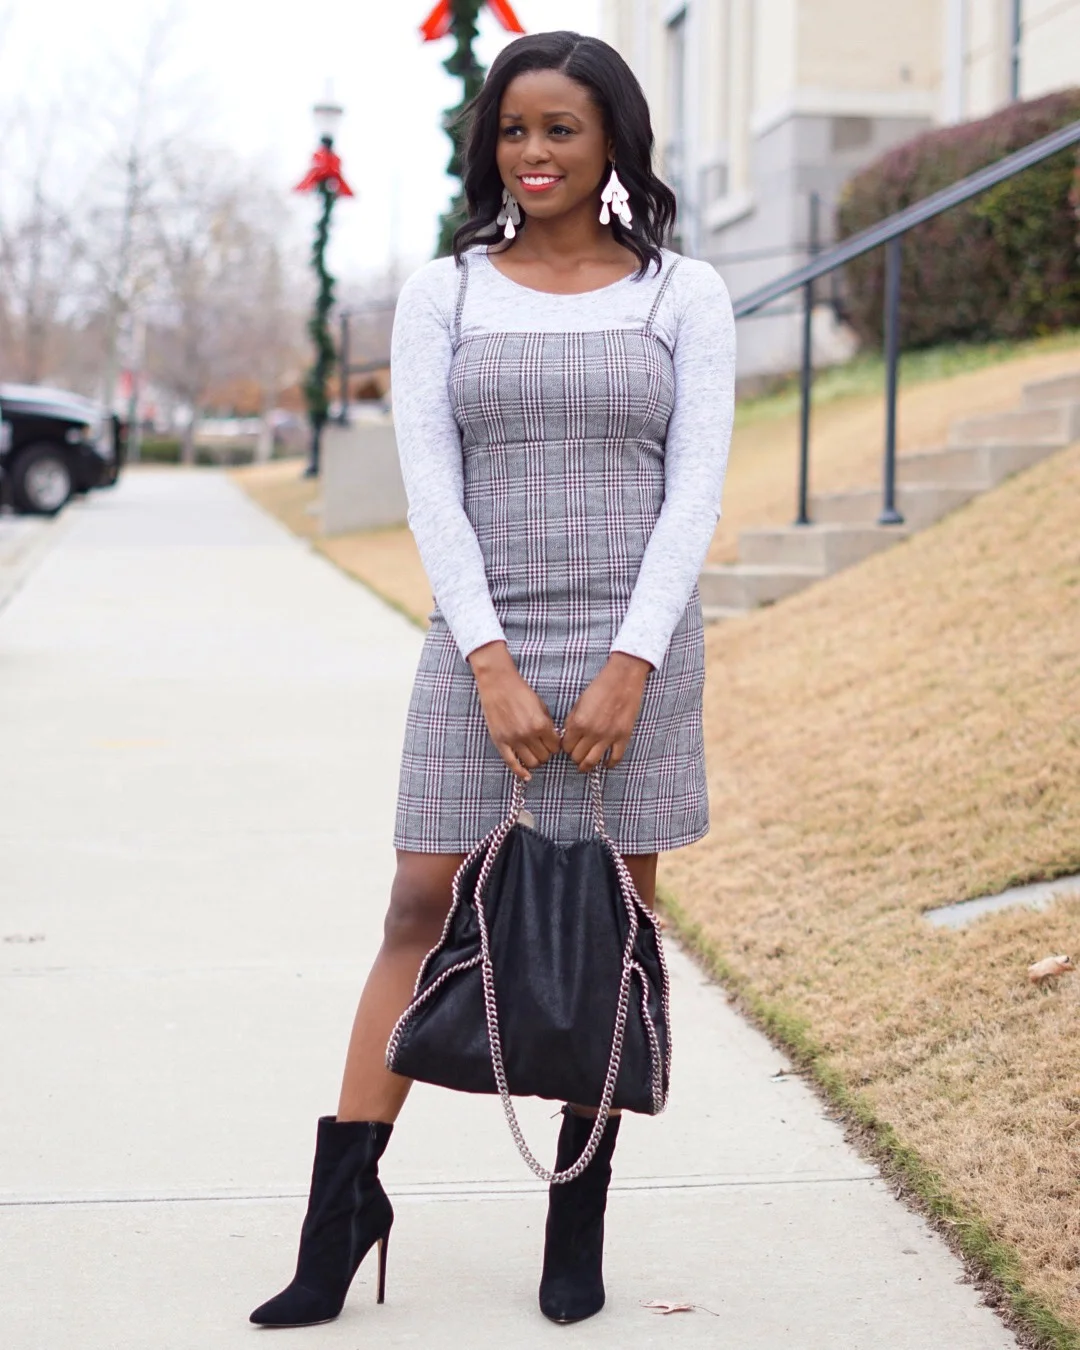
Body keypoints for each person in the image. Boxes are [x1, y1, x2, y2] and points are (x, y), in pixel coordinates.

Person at [249, 28, 735, 1331]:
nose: (533, 153)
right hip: (483, 640)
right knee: (420, 901)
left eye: (560, 129)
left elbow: (693, 493)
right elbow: (432, 490)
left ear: (613, 139)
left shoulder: (681, 294)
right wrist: (489, 660)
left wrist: (632, 662)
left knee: (609, 927)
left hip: (637, 647)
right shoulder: (445, 293)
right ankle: (342, 1216)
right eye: (513, 130)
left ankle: (576, 1217)